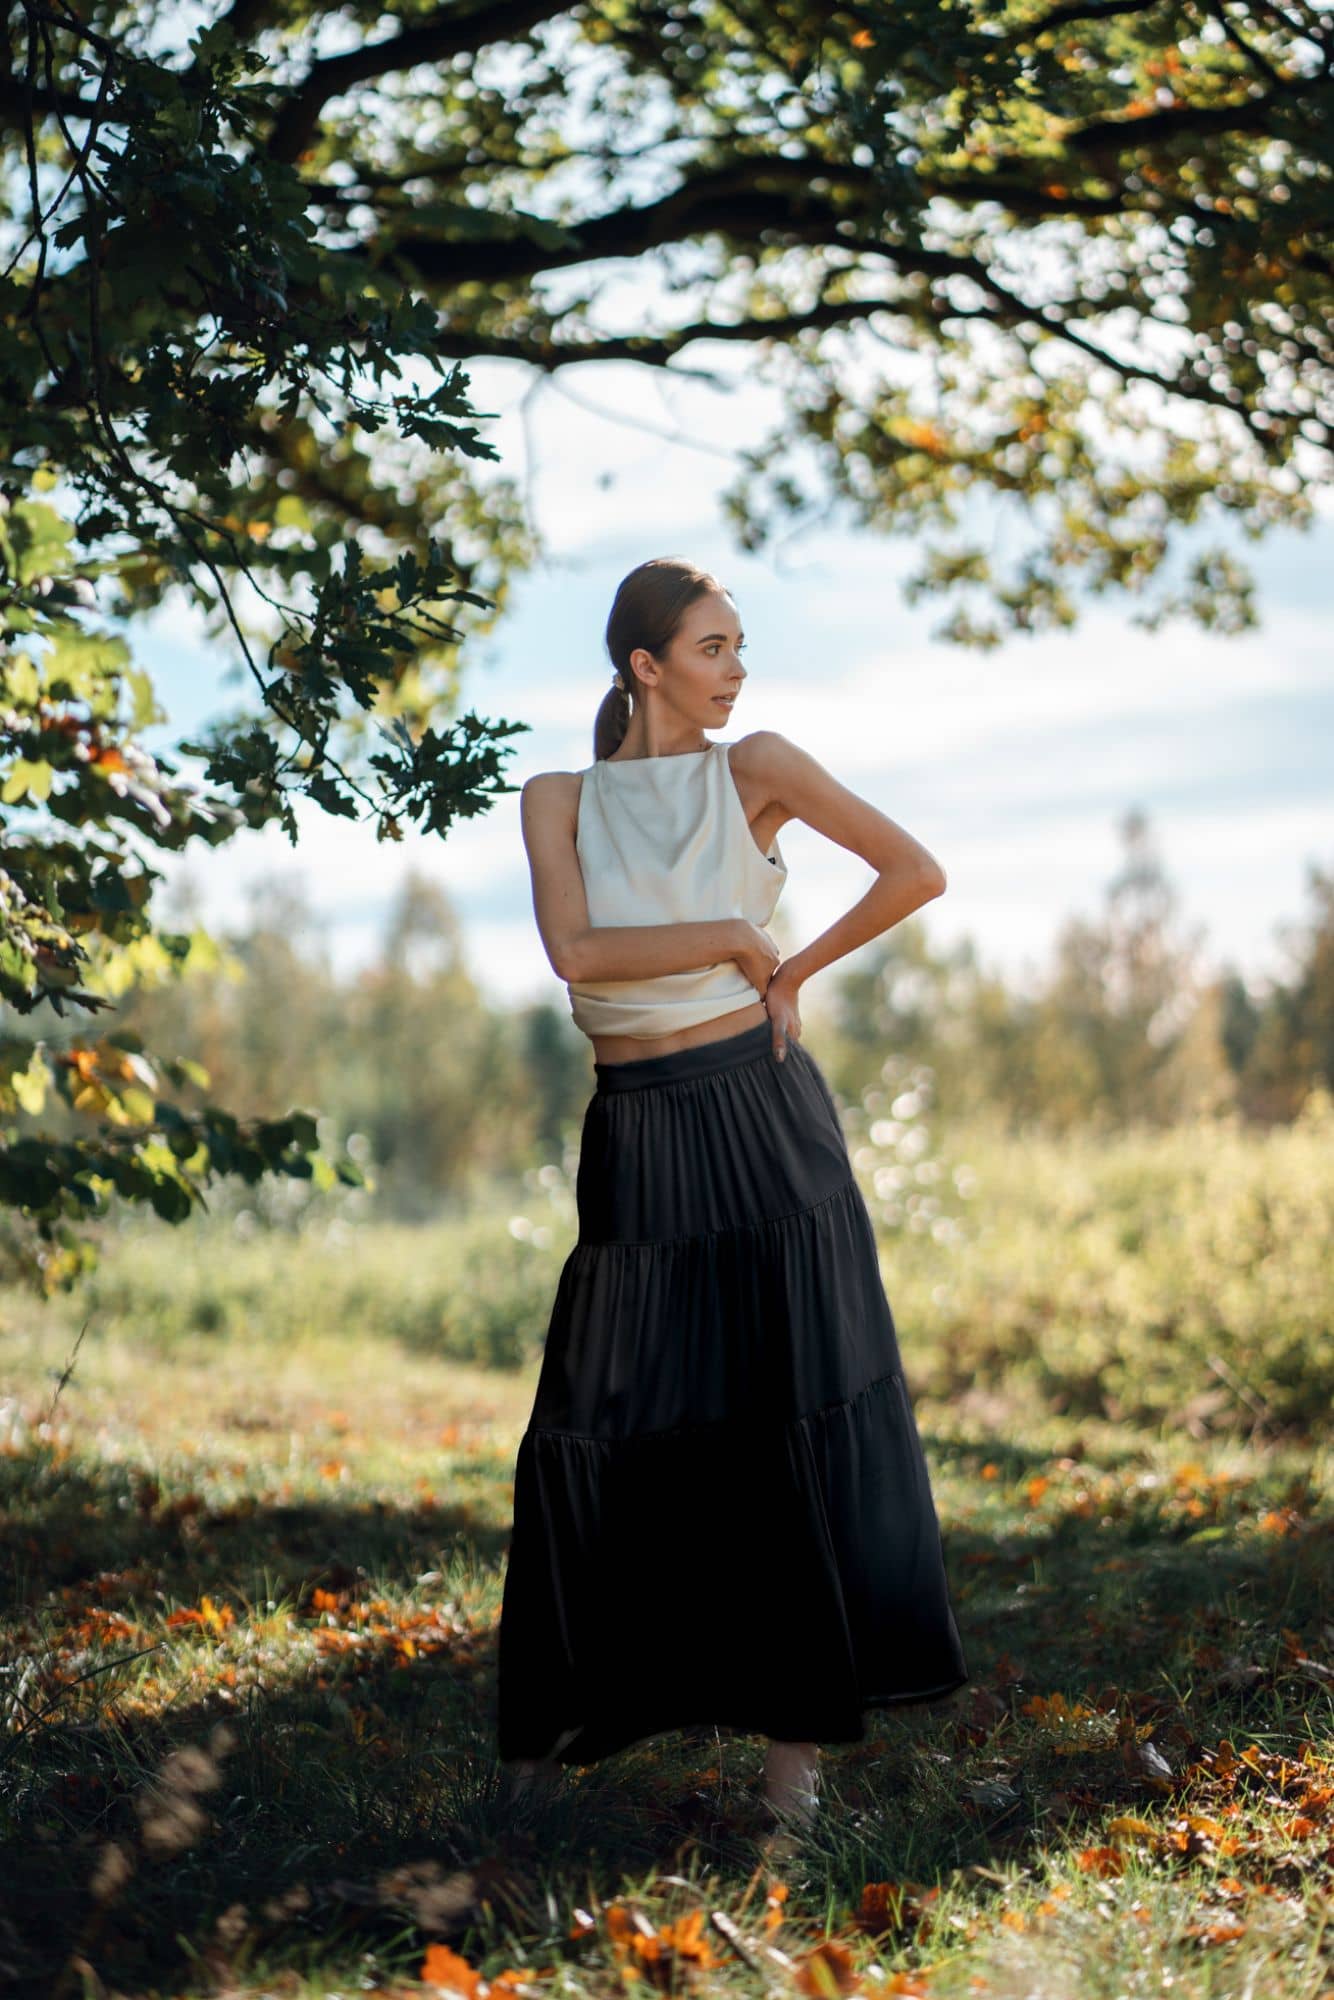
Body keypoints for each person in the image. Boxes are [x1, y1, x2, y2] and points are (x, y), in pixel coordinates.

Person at [496, 556, 968, 1832]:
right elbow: (578, 954)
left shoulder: (755, 765)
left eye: (739, 645)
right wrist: (732, 938)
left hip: (762, 1124)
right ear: (644, 665)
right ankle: (538, 1750)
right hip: (638, 1130)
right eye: (711, 647)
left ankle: (790, 1781)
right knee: (595, 1415)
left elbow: (912, 868)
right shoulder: (553, 798)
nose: (736, 669)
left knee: (783, 1414)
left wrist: (790, 969)